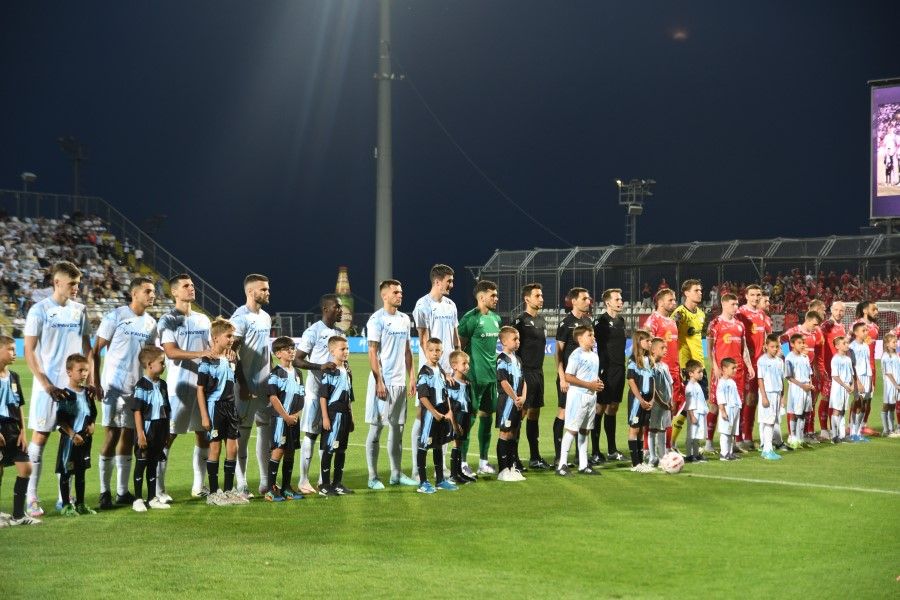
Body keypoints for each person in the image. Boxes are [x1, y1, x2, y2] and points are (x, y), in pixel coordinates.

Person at [25, 261, 92, 517]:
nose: (76, 288)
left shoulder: (80, 310)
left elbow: (87, 348)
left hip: (73, 389)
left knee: (72, 439)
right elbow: (29, 350)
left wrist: (90, 379)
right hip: (48, 387)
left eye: (78, 284)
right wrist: (46, 384)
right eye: (72, 283)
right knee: (40, 437)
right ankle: (32, 497)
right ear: (57, 282)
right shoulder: (39, 310)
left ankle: (65, 497)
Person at [92, 276, 158, 510]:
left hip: (135, 389)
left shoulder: (151, 323)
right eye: (148, 291)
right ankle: (104, 492)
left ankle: (122, 491)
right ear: (134, 293)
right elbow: (95, 351)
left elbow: (150, 356)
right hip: (113, 387)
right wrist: (95, 382)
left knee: (129, 437)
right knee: (111, 435)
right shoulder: (116, 316)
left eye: (153, 291)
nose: (152, 295)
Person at [156, 273, 212, 501]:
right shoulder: (167, 319)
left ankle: (199, 486)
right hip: (178, 387)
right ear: (174, 292)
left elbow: (212, 348)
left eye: (193, 285)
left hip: (202, 388)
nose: (192, 288)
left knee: (203, 434)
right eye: (186, 286)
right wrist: (201, 353)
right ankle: (159, 489)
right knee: (168, 436)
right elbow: (170, 352)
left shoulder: (203, 319)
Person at [364, 280, 415, 490]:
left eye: (401, 292)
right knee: (376, 429)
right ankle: (372, 477)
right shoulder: (377, 320)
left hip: (400, 382)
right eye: (395, 292)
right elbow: (372, 352)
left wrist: (412, 377)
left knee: (398, 429)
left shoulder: (404, 319)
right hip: (382, 383)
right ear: (384, 296)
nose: (400, 295)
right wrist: (379, 381)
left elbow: (407, 350)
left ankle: (396, 474)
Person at [411, 265, 460, 478]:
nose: (452, 285)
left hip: (450, 371)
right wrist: (439, 370)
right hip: (431, 372)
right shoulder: (422, 305)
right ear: (437, 282)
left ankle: (442, 467)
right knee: (422, 416)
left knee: (446, 416)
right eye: (449, 281)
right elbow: (424, 340)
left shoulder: (451, 305)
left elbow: (456, 338)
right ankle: (417, 468)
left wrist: (457, 365)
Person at [293, 295, 344, 495]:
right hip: (315, 392)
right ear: (325, 309)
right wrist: (319, 366)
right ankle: (303, 479)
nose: (340, 310)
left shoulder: (340, 333)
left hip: (335, 395)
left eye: (341, 307)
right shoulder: (313, 331)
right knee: (311, 434)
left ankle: (324, 480)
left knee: (329, 435)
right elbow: (297, 360)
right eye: (337, 307)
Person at [230, 274, 273, 498]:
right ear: (250, 291)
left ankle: (265, 482)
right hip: (245, 387)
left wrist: (272, 377)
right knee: (243, 435)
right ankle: (242, 483)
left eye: (267, 289)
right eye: (263, 289)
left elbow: (266, 351)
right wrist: (243, 384)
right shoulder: (240, 318)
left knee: (265, 432)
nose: (267, 292)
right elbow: (232, 353)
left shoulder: (265, 317)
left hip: (265, 385)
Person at [197, 318, 246, 506]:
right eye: (228, 336)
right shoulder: (207, 361)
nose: (232, 339)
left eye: (232, 336)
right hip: (215, 406)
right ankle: (213, 492)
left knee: (233, 448)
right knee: (215, 448)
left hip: (230, 407)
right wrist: (204, 416)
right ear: (216, 338)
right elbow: (200, 390)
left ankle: (228, 490)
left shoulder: (231, 358)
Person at [457, 280, 502, 477]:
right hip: (474, 378)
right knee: (469, 420)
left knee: (487, 419)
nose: (496, 298)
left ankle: (483, 462)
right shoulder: (470, 319)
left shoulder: (496, 318)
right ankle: (462, 463)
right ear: (481, 297)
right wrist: (463, 374)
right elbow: (460, 348)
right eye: (493, 295)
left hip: (491, 378)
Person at [706, 293, 753, 454]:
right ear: (724, 304)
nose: (736, 307)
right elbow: (710, 349)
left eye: (737, 304)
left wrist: (749, 366)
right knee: (715, 405)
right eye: (733, 304)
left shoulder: (740, 325)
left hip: (738, 372)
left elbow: (744, 349)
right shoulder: (715, 323)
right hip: (721, 372)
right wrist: (715, 367)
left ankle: (732, 443)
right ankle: (709, 442)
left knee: (736, 406)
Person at [0, 335, 39, 526]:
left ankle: (18, 515)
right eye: (10, 349)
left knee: (26, 468)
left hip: (13, 428)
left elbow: (19, 405)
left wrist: (23, 430)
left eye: (15, 349)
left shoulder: (14, 376)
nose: (15, 353)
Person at [513, 283, 551, 470]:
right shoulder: (520, 321)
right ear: (527, 299)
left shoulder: (542, 321)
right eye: (537, 296)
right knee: (521, 414)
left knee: (534, 413)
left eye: (541, 295)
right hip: (525, 373)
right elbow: (513, 348)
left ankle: (535, 457)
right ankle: (514, 458)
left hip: (539, 372)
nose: (541, 299)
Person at [554, 287, 593, 466]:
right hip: (569, 378)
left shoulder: (587, 321)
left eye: (588, 298)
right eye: (584, 299)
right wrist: (562, 377)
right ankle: (559, 455)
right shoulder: (566, 323)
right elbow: (558, 353)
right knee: (564, 412)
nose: (588, 301)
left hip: (584, 379)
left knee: (582, 414)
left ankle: (580, 456)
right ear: (574, 301)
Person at [557, 325, 603, 476]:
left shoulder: (594, 355)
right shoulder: (576, 355)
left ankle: (583, 465)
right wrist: (589, 385)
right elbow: (568, 376)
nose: (593, 337)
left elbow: (590, 375)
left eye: (593, 335)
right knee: (572, 429)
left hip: (591, 397)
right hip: (578, 397)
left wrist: (598, 382)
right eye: (590, 335)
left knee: (585, 430)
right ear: (580, 338)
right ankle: (562, 464)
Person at [55, 354, 97, 516]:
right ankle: (66, 505)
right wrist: (72, 435)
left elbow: (93, 412)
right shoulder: (64, 395)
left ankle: (80, 504)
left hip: (85, 440)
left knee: (81, 472)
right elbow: (61, 420)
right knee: (66, 472)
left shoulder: (87, 393)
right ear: (69, 372)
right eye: (80, 370)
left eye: (86, 370)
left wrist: (92, 424)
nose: (84, 374)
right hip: (70, 441)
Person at [130, 346, 171, 511]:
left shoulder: (163, 385)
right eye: (161, 362)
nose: (164, 365)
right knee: (141, 463)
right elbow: (137, 411)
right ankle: (138, 499)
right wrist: (140, 434)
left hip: (160, 429)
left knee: (153, 464)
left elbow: (167, 410)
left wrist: (167, 432)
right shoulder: (141, 386)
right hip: (147, 429)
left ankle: (152, 498)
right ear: (149, 365)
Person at [264, 337, 305, 502]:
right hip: (281, 419)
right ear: (278, 354)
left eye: (293, 348)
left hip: (293, 419)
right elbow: (273, 397)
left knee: (290, 452)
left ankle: (287, 488)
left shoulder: (298, 373)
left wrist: (296, 415)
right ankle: (270, 489)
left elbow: (301, 396)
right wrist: (286, 416)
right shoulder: (275, 373)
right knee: (278, 450)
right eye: (287, 349)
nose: (291, 351)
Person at [414, 338, 457, 493]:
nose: (435, 353)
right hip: (430, 415)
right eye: (431, 350)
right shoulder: (424, 372)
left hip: (442, 413)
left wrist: (449, 411)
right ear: (426, 351)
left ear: (442, 352)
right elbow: (422, 397)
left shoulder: (440, 369)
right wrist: (434, 413)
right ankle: (423, 482)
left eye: (438, 350)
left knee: (438, 445)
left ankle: (440, 480)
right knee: (424, 446)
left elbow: (446, 393)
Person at [644, 289, 681, 454]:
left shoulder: (672, 321)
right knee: (654, 412)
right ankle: (647, 449)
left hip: (673, 371)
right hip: (658, 373)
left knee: (670, 411)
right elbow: (646, 346)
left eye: (674, 300)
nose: (674, 303)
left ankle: (667, 447)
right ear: (660, 302)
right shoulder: (653, 320)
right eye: (670, 300)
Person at [672, 279, 707, 452]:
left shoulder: (701, 314)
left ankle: (693, 444)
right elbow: (671, 333)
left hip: (700, 366)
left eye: (700, 290)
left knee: (699, 407)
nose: (700, 293)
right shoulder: (680, 313)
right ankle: (671, 443)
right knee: (685, 407)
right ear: (686, 293)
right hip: (686, 367)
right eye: (696, 290)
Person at [780, 310, 823, 443]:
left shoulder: (813, 334)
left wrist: (815, 368)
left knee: (805, 407)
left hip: (807, 373)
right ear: (808, 320)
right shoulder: (794, 331)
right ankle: (792, 435)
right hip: (796, 376)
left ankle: (802, 435)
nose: (816, 327)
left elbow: (814, 352)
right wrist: (788, 357)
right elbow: (783, 340)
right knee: (794, 407)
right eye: (814, 324)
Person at [319, 336, 355, 497]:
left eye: (347, 348)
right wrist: (325, 417)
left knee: (341, 450)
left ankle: (337, 483)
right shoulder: (329, 371)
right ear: (332, 351)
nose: (346, 351)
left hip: (345, 415)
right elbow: (323, 396)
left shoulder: (347, 370)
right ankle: (324, 485)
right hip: (334, 415)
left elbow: (349, 396)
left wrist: (351, 417)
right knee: (329, 449)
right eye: (342, 349)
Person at [594, 288, 627, 462]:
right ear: (608, 302)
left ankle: (612, 450)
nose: (620, 302)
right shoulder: (600, 322)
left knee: (613, 407)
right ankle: (595, 451)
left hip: (619, 369)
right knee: (599, 408)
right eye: (617, 299)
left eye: (621, 299)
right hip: (605, 370)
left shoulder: (621, 321)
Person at [736, 284, 769, 451]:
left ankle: (748, 436)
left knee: (754, 399)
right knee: (743, 399)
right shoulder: (740, 313)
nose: (756, 298)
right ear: (746, 296)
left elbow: (765, 338)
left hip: (760, 363)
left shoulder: (762, 314)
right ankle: (738, 438)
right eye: (753, 295)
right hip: (746, 364)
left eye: (758, 295)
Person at [495, 327, 526, 482]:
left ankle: (512, 467)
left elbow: (523, 380)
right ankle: (503, 470)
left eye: (518, 339)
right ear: (504, 341)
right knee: (505, 433)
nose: (518, 342)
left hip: (517, 402)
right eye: (515, 339)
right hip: (507, 402)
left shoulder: (517, 359)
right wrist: (515, 398)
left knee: (514, 433)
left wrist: (523, 398)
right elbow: (504, 382)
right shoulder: (502, 360)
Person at [626, 329, 655, 473]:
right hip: (637, 401)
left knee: (642, 429)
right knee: (634, 429)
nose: (650, 343)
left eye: (650, 341)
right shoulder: (633, 360)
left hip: (648, 400)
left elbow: (653, 381)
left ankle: (641, 461)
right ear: (639, 342)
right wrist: (640, 399)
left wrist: (652, 399)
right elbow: (631, 382)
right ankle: (635, 463)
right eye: (647, 341)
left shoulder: (649, 360)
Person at [446, 351, 475, 484]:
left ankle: (459, 472)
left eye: (467, 363)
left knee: (461, 442)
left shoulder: (467, 382)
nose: (467, 366)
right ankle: (454, 474)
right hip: (457, 416)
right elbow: (450, 405)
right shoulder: (451, 383)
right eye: (464, 363)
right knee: (456, 442)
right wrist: (454, 423)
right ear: (454, 366)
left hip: (465, 415)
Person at [819, 301, 847, 439]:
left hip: (838, 369)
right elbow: (820, 342)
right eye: (836, 310)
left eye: (841, 310)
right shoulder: (826, 325)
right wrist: (822, 366)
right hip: (827, 368)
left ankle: (833, 429)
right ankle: (823, 429)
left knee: (834, 399)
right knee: (825, 397)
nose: (838, 313)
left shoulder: (842, 327)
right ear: (831, 310)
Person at [852, 301, 880, 437]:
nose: (876, 312)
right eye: (873, 309)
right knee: (858, 399)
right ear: (865, 310)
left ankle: (863, 425)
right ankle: (852, 427)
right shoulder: (856, 325)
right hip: (858, 369)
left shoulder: (875, 327)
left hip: (871, 368)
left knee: (869, 399)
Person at [756, 334, 785, 460]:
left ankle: (767, 450)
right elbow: (760, 379)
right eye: (772, 347)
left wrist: (782, 396)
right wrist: (764, 396)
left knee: (772, 421)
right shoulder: (762, 361)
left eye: (776, 347)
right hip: (767, 393)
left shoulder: (779, 361)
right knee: (768, 421)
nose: (775, 349)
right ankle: (767, 449)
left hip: (777, 393)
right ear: (766, 346)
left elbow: (781, 379)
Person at [784, 334, 813, 449]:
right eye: (799, 343)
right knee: (796, 413)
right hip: (797, 388)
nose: (802, 345)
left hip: (806, 388)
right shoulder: (789, 358)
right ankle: (793, 438)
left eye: (803, 343)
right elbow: (789, 376)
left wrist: (810, 384)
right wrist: (802, 386)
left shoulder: (805, 357)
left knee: (804, 413)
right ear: (792, 344)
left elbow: (809, 373)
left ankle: (800, 439)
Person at [648, 338, 673, 467]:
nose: (665, 350)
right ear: (653, 350)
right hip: (656, 404)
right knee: (653, 428)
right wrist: (661, 401)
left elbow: (670, 384)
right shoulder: (650, 366)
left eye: (666, 348)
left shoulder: (665, 366)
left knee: (663, 428)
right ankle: (652, 457)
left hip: (666, 404)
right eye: (662, 348)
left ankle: (662, 456)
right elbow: (652, 388)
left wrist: (670, 400)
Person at [848, 322, 873, 442]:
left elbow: (868, 363)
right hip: (858, 378)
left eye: (866, 330)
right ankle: (853, 432)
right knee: (858, 403)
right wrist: (857, 381)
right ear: (856, 332)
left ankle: (858, 432)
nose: (866, 332)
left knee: (864, 405)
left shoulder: (866, 346)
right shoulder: (852, 347)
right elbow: (852, 366)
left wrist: (870, 380)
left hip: (867, 377)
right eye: (863, 330)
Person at [828, 336, 854, 443]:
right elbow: (835, 376)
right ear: (837, 346)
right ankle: (834, 436)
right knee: (837, 410)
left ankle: (842, 435)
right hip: (838, 388)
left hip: (846, 387)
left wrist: (852, 385)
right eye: (844, 343)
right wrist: (845, 386)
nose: (847, 345)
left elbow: (852, 374)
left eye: (847, 343)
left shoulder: (848, 359)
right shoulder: (835, 359)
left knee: (843, 410)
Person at [715, 357, 742, 461]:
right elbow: (720, 398)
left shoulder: (732, 382)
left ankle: (730, 453)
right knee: (725, 432)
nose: (735, 370)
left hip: (734, 409)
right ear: (724, 369)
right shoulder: (722, 383)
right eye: (733, 368)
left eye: (735, 368)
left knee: (731, 433)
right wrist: (722, 411)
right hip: (727, 410)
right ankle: (724, 454)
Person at [683, 360, 707, 463]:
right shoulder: (689, 387)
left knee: (697, 435)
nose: (701, 374)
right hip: (694, 414)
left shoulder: (697, 384)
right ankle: (689, 455)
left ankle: (696, 454)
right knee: (691, 435)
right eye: (699, 372)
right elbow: (689, 403)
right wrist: (692, 416)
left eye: (702, 372)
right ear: (691, 374)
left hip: (700, 413)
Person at [879, 332, 899, 437]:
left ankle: (891, 429)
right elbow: (888, 373)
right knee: (886, 405)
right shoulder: (886, 356)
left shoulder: (896, 355)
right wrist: (895, 384)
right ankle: (886, 430)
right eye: (893, 342)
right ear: (887, 344)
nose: (896, 344)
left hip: (897, 384)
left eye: (896, 342)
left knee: (892, 406)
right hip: (890, 384)